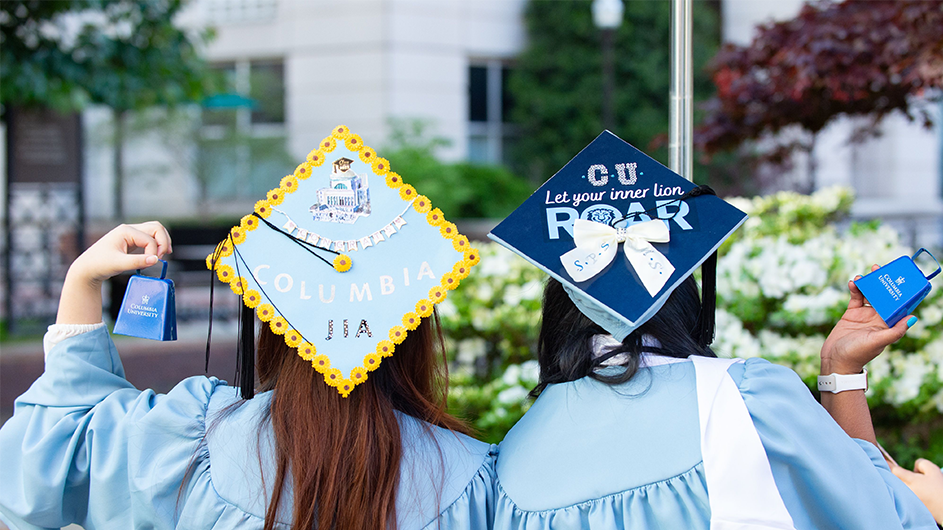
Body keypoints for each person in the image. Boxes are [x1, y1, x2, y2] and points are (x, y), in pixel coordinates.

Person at [0, 127, 494, 529]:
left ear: (274, 326)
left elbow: (49, 455)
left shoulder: (190, 439)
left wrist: (82, 279)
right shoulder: (480, 482)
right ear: (411, 332)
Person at [487, 131, 937, 529]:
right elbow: (879, 514)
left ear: (557, 310)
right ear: (687, 301)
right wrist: (840, 371)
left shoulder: (509, 467)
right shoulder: (746, 400)